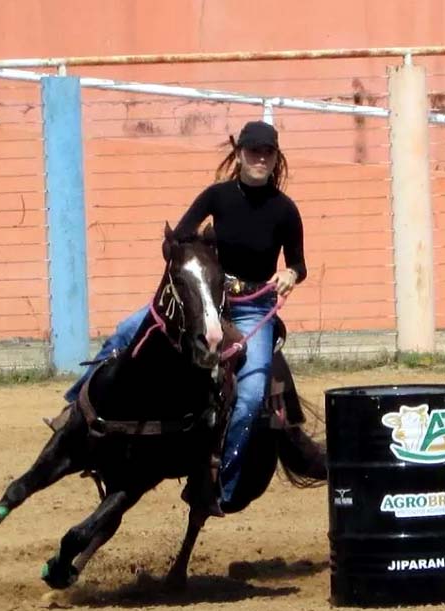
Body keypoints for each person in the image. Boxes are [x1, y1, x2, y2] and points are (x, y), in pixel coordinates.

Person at [65, 120, 307, 513]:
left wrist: (290, 274)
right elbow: (178, 238)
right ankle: (75, 406)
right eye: (252, 151)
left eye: (267, 152)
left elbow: (298, 263)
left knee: (250, 393)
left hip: (251, 310)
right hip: (203, 300)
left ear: (276, 157)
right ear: (239, 154)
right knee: (126, 331)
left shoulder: (285, 210)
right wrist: (197, 258)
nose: (259, 158)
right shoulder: (216, 196)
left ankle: (221, 485)